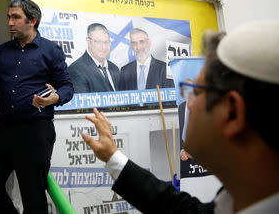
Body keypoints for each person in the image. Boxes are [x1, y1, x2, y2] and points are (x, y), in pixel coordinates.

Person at [82, 21, 279, 213]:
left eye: (195, 91)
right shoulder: (233, 199)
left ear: (232, 113)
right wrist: (112, 156)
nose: (188, 103)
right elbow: (177, 207)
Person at [0, 0, 74, 214]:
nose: (10, 22)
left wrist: (55, 98)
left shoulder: (51, 50)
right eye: (9, 17)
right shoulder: (4, 50)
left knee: (33, 198)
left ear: (32, 20)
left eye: (16, 17)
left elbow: (67, 86)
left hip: (36, 130)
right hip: (4, 128)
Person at [68, 23, 120, 93]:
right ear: (88, 41)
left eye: (106, 42)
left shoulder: (114, 68)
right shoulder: (76, 70)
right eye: (98, 42)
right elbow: (83, 102)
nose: (103, 47)